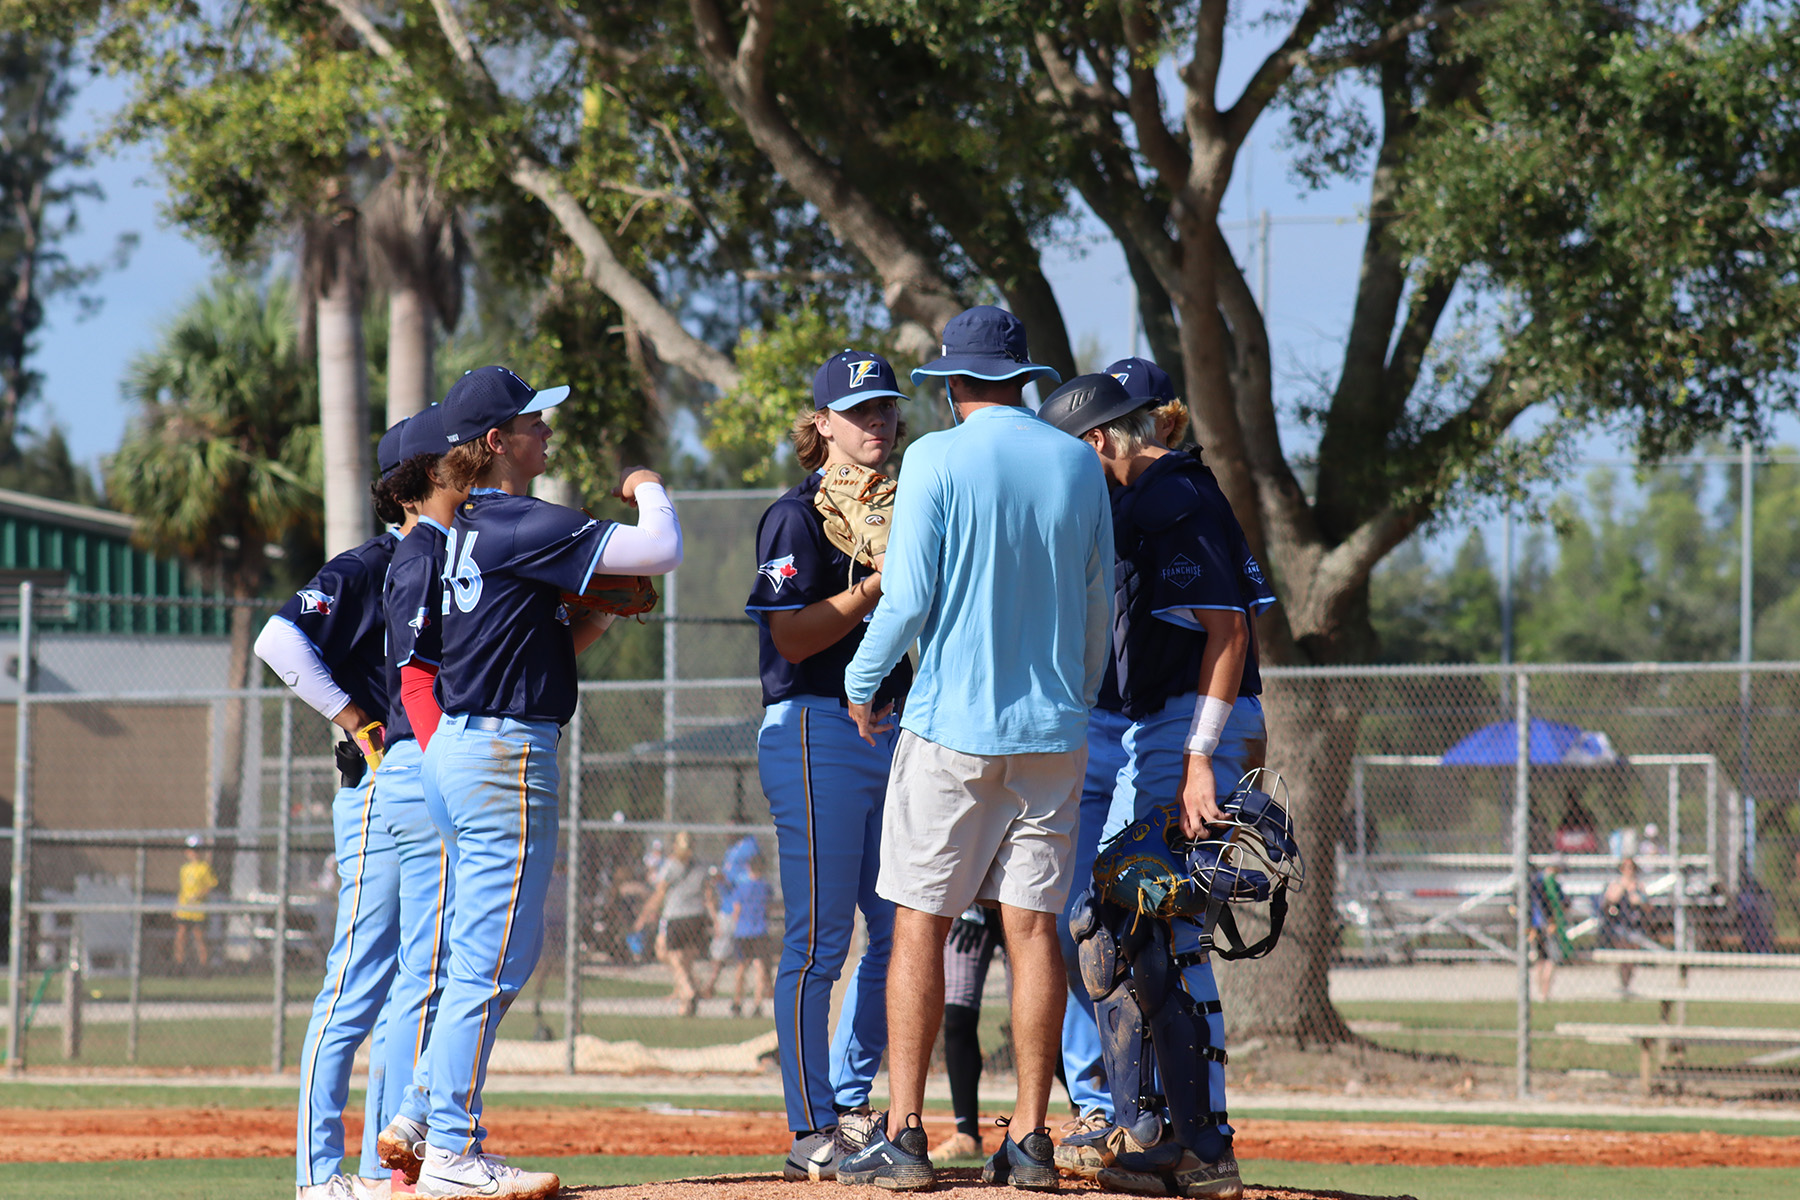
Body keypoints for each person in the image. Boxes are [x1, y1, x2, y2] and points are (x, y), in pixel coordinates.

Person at [837, 305, 1111, 1192]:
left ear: (952, 383)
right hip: (1054, 733)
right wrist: (1077, 696)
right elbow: (1100, 602)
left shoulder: (934, 457)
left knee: (918, 922)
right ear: (1023, 378)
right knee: (1032, 929)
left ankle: (906, 1135)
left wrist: (861, 680)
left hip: (951, 729)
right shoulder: (1078, 461)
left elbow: (909, 595)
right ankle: (1031, 1139)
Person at [413, 366, 683, 1200]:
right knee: (493, 959)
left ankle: (420, 1114)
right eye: (533, 422)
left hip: (460, 746)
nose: (546, 431)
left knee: (483, 952)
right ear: (496, 442)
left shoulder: (464, 526)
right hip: (503, 754)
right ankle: (452, 1152)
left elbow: (535, 645)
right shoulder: (518, 519)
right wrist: (648, 485)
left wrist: (591, 612)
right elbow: (661, 549)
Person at [1037, 365, 1277, 1199]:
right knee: (1121, 921)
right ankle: (1161, 1131)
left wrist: (1201, 757)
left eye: (1071, 450)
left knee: (1163, 927)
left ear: (1099, 439)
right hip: (1165, 726)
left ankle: (1201, 1146)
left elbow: (1229, 630)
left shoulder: (1173, 493)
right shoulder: (1145, 497)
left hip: (1187, 728)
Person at [745, 348, 914, 1180]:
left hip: (894, 729)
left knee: (902, 931)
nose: (876, 419)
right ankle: (810, 1126)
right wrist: (878, 586)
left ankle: (848, 1103)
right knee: (819, 939)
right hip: (815, 726)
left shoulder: (909, 507)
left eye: (885, 406)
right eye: (858, 409)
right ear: (822, 424)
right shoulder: (796, 516)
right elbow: (791, 635)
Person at [257, 420, 410, 1200]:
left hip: (427, 793)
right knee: (357, 983)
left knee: (413, 986)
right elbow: (279, 641)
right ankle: (319, 1176)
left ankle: (387, 1170)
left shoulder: (450, 565)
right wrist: (356, 721)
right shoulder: (370, 564)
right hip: (377, 792)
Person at [366, 404, 465, 1186]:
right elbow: (416, 679)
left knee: (422, 974)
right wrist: (443, 768)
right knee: (426, 976)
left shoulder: (438, 549)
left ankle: (397, 1153)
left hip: (416, 761)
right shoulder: (420, 553)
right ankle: (400, 1162)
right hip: (423, 760)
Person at [932, 906, 1008, 1163]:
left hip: (1018, 905)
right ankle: (966, 1134)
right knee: (956, 1015)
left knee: (1034, 1018)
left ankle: (1084, 1111)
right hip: (969, 903)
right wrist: (971, 907)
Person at [632, 830, 712, 1015]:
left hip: (676, 916)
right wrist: (713, 917)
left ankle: (688, 989)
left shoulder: (671, 865)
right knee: (686, 960)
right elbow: (708, 893)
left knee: (667, 953)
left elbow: (660, 893)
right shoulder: (700, 867)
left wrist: (644, 915)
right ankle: (686, 1005)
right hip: (696, 916)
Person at [724, 850, 775, 1019]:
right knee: (759, 967)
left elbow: (736, 910)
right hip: (760, 930)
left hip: (743, 932)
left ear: (748, 867)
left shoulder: (741, 887)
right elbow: (768, 907)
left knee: (741, 967)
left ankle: (737, 1002)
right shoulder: (766, 887)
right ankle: (757, 1003)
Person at [1598, 857, 1657, 993]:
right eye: (1625, 867)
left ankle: (1627, 983)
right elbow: (1607, 905)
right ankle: (1623, 982)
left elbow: (1648, 907)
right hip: (1618, 924)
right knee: (1623, 951)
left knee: (1632, 955)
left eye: (1631, 868)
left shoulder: (1639, 886)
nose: (1629, 871)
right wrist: (1620, 892)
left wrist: (1639, 899)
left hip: (1635, 925)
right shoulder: (1616, 885)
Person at [172, 835, 217, 973]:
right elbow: (182, 890)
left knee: (199, 937)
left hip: (198, 909)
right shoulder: (184, 869)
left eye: (197, 850)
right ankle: (179, 965)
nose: (193, 853)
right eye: (191, 849)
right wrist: (177, 906)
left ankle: (204, 966)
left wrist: (198, 895)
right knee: (181, 935)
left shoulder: (204, 868)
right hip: (185, 908)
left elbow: (210, 886)